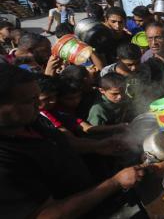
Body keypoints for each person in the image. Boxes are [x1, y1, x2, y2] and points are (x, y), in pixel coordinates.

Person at [0, 64, 145, 218]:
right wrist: (115, 182)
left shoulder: (30, 120)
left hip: (95, 201)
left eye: (37, 97)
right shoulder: (5, 159)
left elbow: (60, 141)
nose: (38, 105)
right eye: (29, 101)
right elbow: (46, 215)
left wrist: (96, 146)